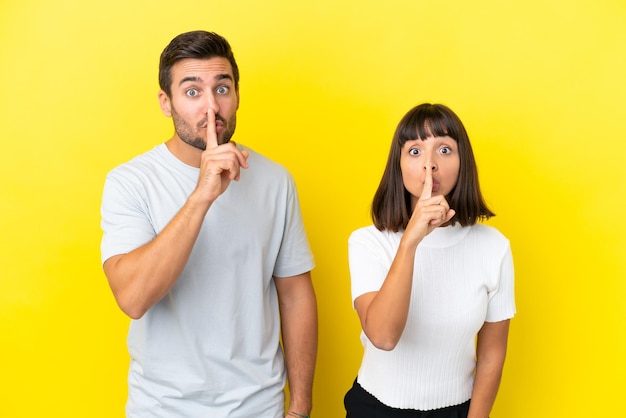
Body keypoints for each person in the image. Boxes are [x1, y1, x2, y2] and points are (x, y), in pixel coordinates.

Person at [100, 30, 317, 418]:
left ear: (237, 96)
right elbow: (132, 298)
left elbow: (296, 295)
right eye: (192, 91)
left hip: (259, 405)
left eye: (222, 88)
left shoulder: (275, 180)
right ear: (166, 103)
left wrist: (300, 406)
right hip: (163, 408)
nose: (211, 108)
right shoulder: (130, 181)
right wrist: (202, 195)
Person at [344, 103, 516, 418]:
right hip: (375, 409)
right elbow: (382, 336)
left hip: (457, 411)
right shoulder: (368, 242)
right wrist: (411, 240)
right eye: (414, 152)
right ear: (398, 166)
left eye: (445, 149)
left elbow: (491, 355)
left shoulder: (494, 248)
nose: (429, 165)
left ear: (463, 162)